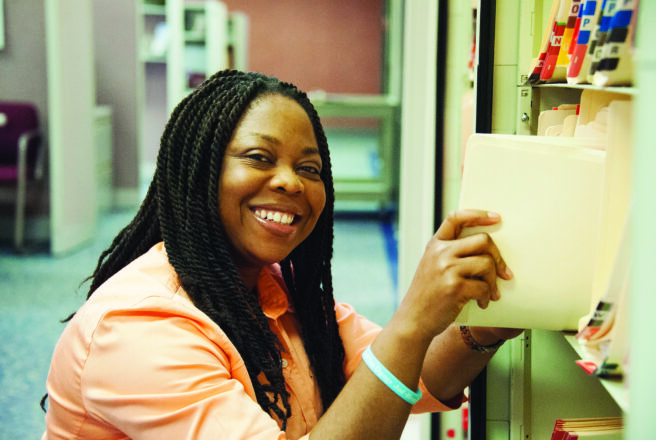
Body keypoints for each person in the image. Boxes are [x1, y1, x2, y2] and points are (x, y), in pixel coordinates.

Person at [42, 70, 521, 439]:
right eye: (259, 157)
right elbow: (401, 351)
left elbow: (408, 371)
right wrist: (412, 320)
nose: (292, 182)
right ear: (199, 172)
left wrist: (484, 325)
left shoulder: (272, 290)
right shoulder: (137, 326)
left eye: (309, 168)